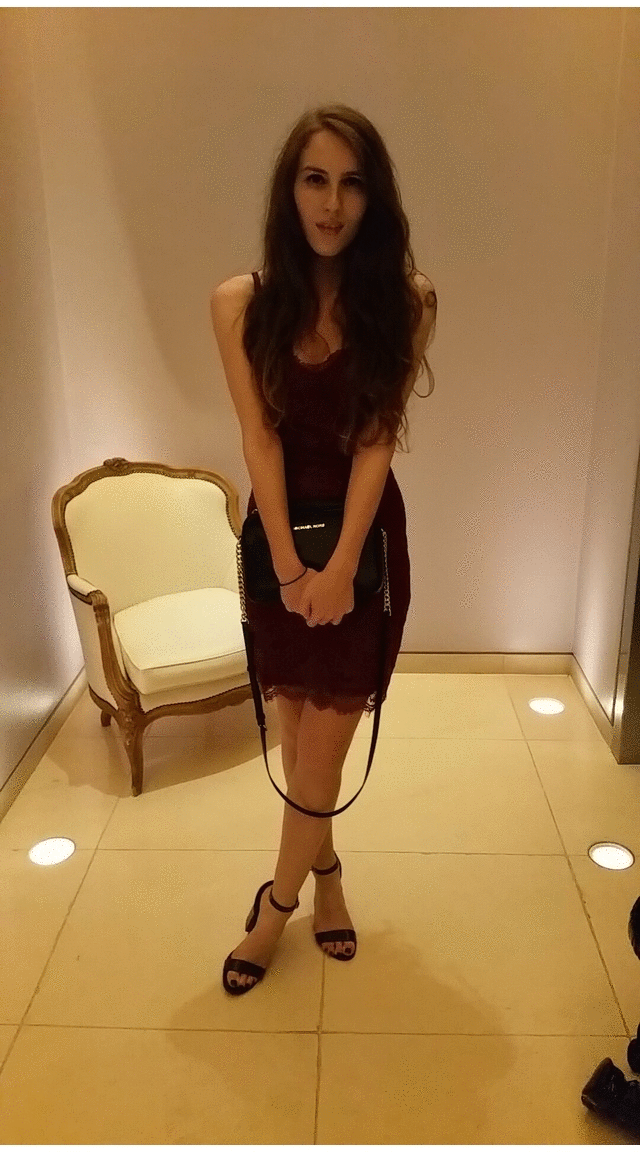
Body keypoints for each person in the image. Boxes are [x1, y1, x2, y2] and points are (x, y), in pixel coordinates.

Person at [210, 104, 435, 996]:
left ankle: (276, 909)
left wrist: (339, 567)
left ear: (374, 198)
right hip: (275, 539)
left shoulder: (407, 301)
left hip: (363, 545)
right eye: (315, 180)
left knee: (322, 750)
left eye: (351, 183)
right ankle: (330, 875)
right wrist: (290, 567)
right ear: (289, 190)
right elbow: (257, 440)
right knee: (302, 736)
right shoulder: (240, 303)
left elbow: (377, 440)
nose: (332, 204)